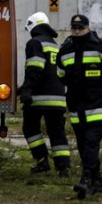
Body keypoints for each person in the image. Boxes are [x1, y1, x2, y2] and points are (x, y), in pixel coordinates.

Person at [56, 14, 102, 199]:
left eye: (81, 28)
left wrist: (100, 89)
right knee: (84, 145)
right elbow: (61, 75)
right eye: (74, 28)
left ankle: (85, 179)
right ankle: (98, 182)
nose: (77, 31)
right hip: (77, 106)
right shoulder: (65, 49)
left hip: (97, 106)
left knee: (92, 143)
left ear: (88, 28)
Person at [18, 12, 71, 177]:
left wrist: (26, 90)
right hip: (59, 98)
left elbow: (35, 68)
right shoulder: (56, 45)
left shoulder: (35, 43)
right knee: (57, 132)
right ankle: (63, 168)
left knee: (30, 127)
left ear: (33, 27)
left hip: (39, 97)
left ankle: (42, 160)